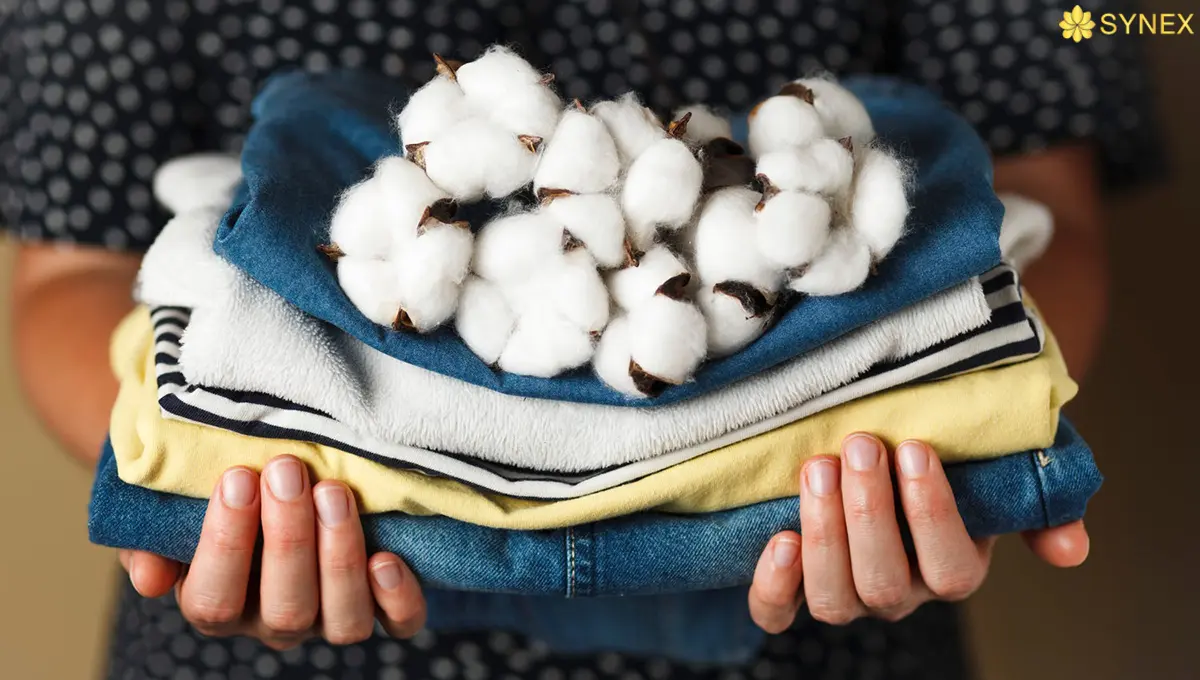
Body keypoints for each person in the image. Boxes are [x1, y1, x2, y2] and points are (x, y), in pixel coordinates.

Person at [2, 1, 1159, 677]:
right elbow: (73, 272)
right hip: (264, 641)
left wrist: (949, 471)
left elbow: (1030, 191)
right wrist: (228, 501)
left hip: (841, 628)